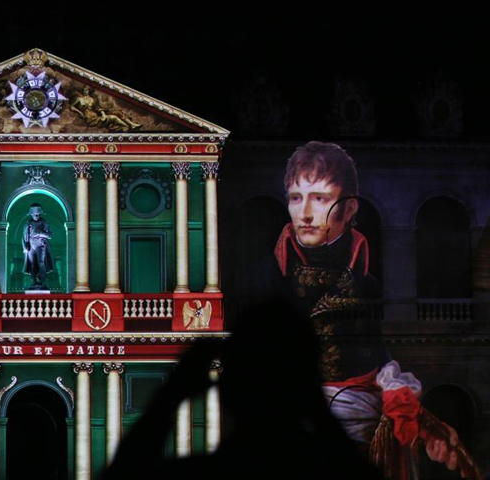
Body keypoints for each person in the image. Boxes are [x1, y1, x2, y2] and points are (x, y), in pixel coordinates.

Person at [240, 141, 480, 479]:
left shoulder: (364, 281)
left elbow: (375, 362)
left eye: (320, 199)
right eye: (295, 198)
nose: (304, 213)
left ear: (349, 208)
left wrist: (423, 425)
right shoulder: (265, 277)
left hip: (360, 437)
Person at [103, 300, 385, 480]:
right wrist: (317, 408)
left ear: (226, 390)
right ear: (307, 389)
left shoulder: (200, 474)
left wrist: (171, 394)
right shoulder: (327, 471)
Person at [69, 86, 141, 132]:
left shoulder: (92, 99)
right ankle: (126, 127)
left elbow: (97, 108)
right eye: (84, 90)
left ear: (89, 91)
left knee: (118, 113)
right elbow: (71, 107)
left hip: (97, 115)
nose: (85, 91)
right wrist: (80, 112)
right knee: (113, 117)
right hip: (91, 118)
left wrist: (103, 114)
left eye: (86, 90)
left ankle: (132, 124)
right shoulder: (79, 99)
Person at [22, 203, 54, 290]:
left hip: (41, 245)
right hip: (31, 245)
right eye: (35, 214)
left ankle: (42, 280)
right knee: (32, 264)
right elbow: (24, 236)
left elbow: (49, 235)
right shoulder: (28, 223)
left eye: (38, 214)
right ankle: (34, 280)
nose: (37, 216)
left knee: (41, 262)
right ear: (31, 214)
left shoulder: (43, 222)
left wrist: (38, 233)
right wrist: (25, 246)